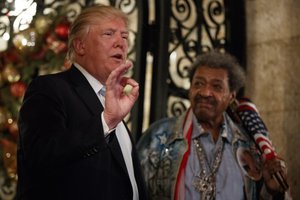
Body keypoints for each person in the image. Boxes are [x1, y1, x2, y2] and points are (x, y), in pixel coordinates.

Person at [16, 5, 147, 200]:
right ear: (80, 46)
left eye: (125, 36)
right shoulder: (50, 89)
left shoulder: (110, 100)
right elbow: (41, 156)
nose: (121, 42)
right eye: (109, 34)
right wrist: (106, 121)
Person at [137, 50, 290, 200]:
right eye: (199, 83)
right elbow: (132, 190)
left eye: (216, 86)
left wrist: (273, 192)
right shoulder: (159, 136)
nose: (205, 92)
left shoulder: (248, 144)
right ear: (190, 89)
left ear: (231, 96)